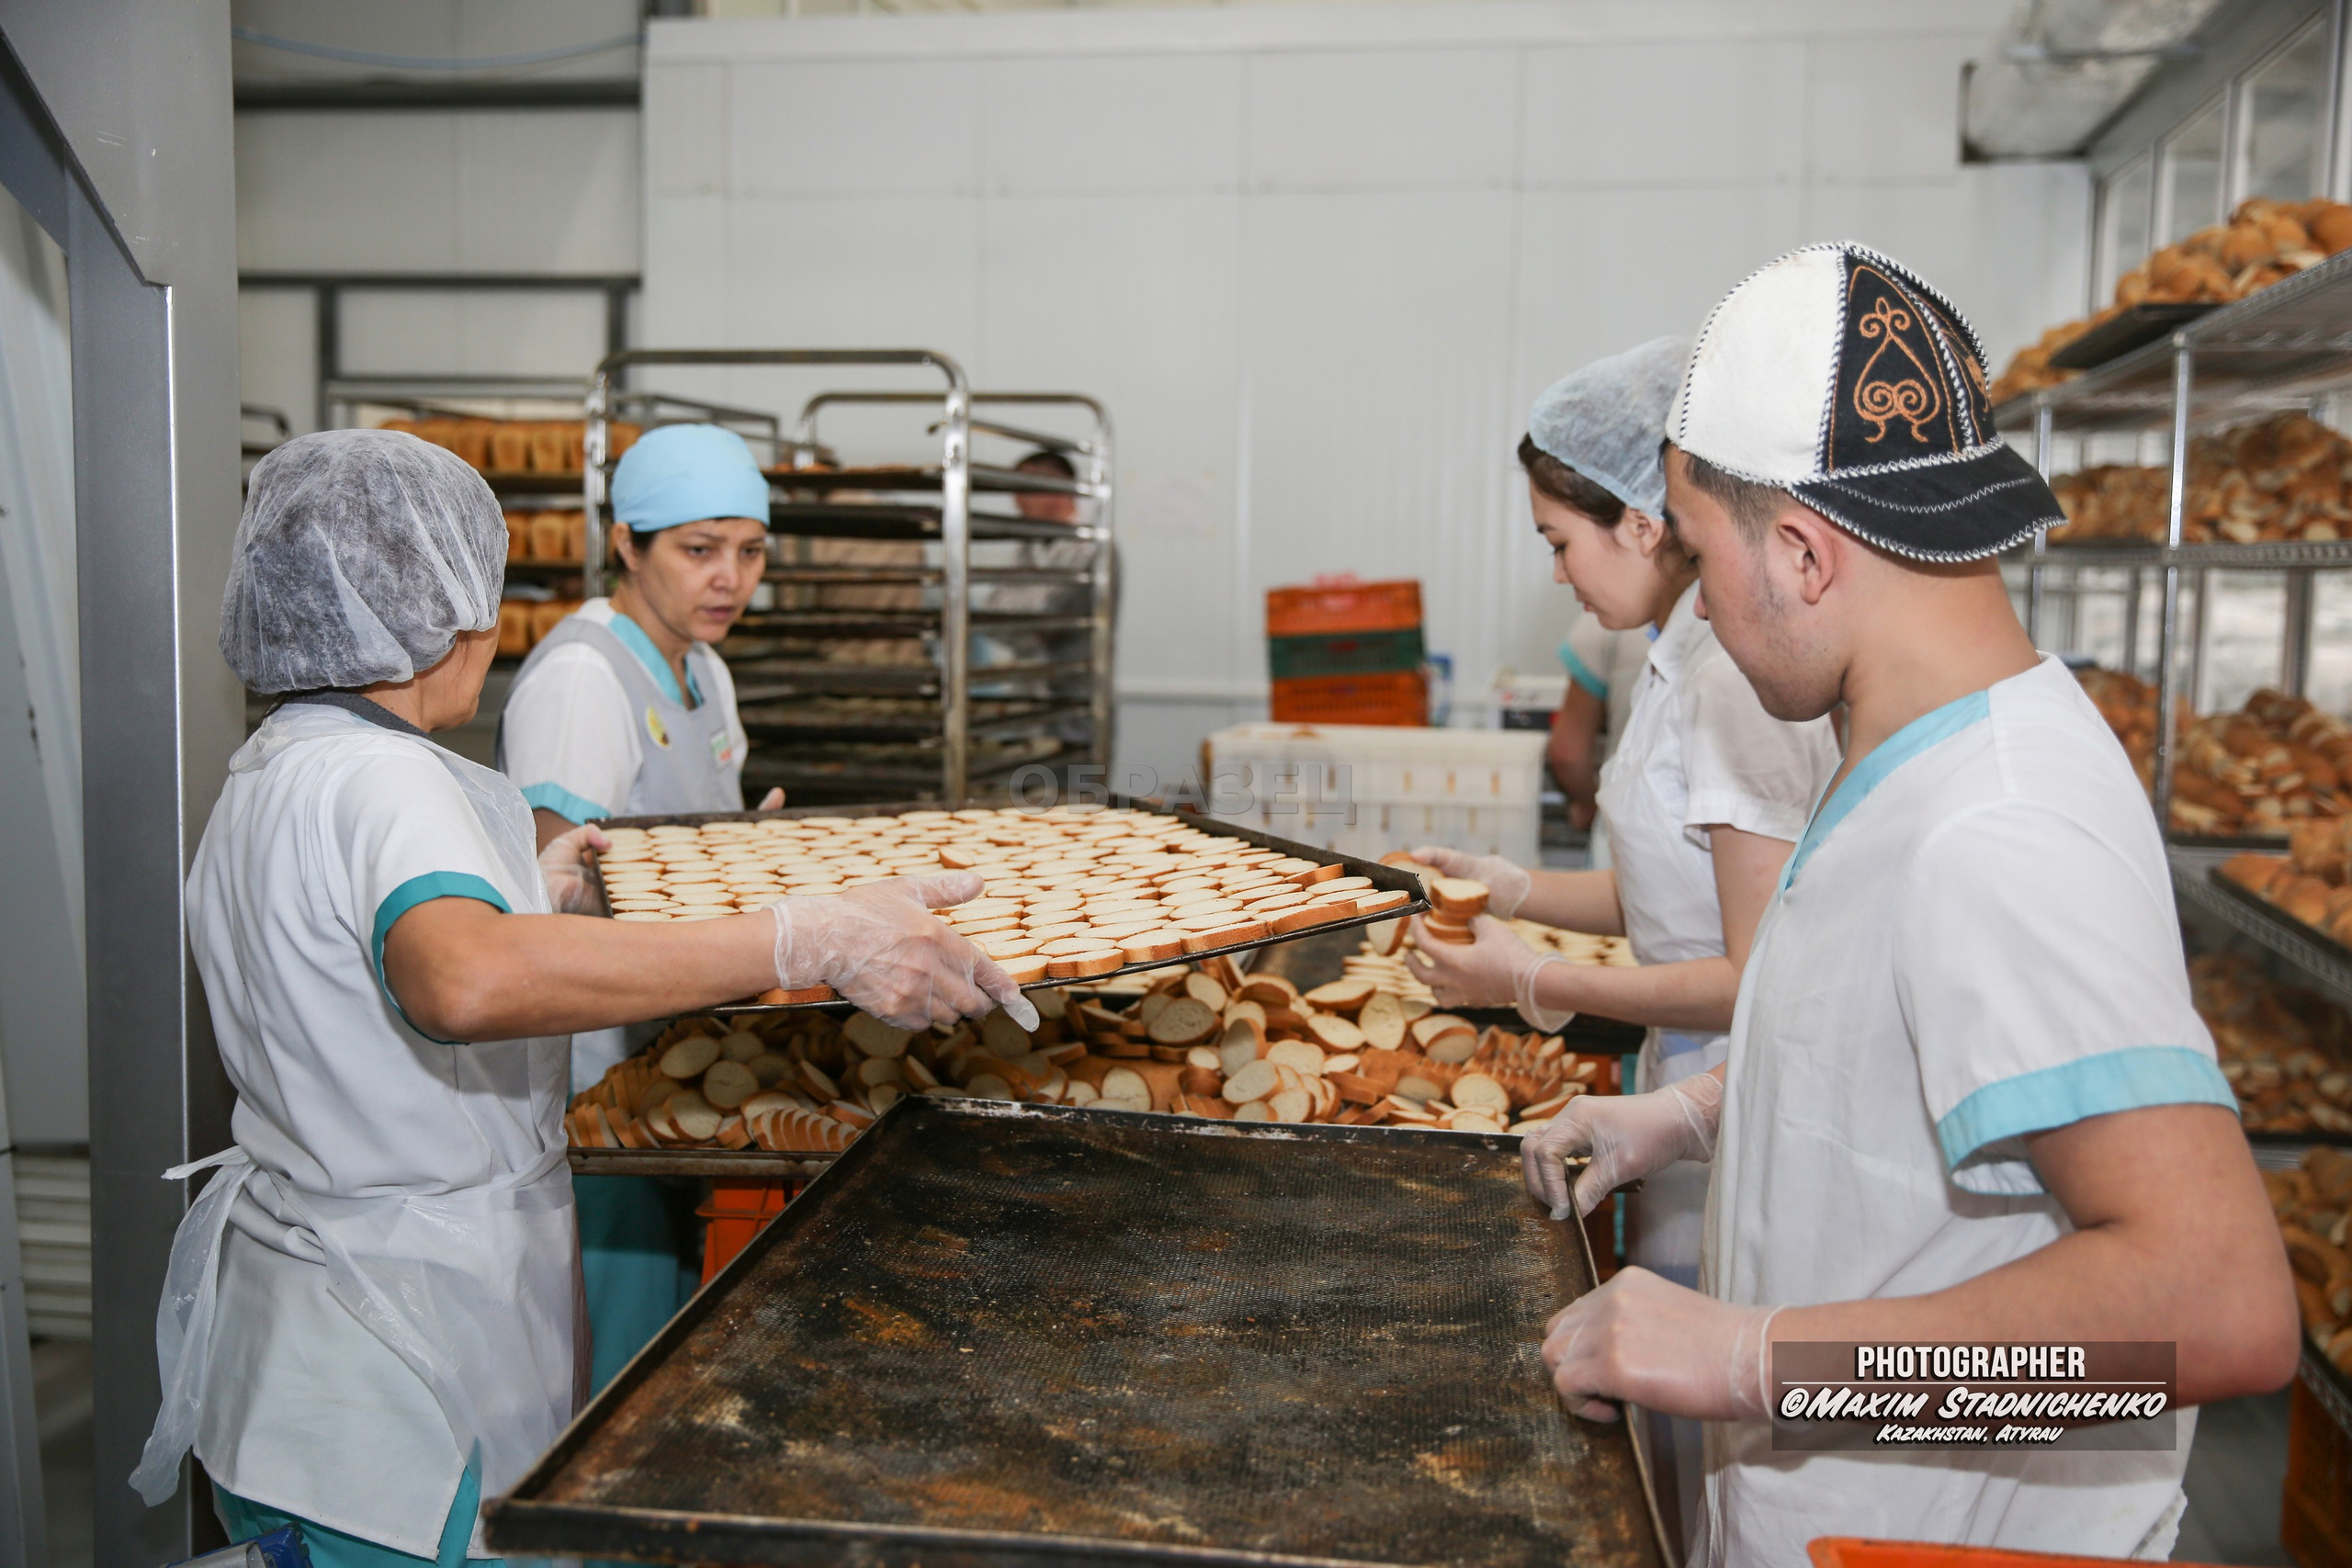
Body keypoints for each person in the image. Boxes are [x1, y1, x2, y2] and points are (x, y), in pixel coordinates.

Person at [136, 430, 1032, 1568]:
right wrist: (799, 935)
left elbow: (361, 963)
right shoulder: (386, 774)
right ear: (442, 607)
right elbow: (461, 979)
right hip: (399, 1380)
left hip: (306, 1355)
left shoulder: (276, 767)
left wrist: (546, 897)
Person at [1528, 245, 2298, 1563]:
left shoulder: (1997, 824)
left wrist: (1756, 1358)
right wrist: (1694, 1114)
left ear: (1804, 552)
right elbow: (1909, 1079)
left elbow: (2218, 1313)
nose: (1700, 601)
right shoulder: (1910, 759)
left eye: (1703, 552)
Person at [1400, 338, 1839, 1547]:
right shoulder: (1679, 654)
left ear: (1645, 522)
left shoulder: (1734, 682)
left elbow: (1761, 971)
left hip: (1732, 1107)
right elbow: (1668, 889)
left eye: (1559, 539)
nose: (1556, 572)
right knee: (1677, 1459)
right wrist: (1522, 885)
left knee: (1714, 1466)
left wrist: (1529, 977)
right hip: (1680, 1093)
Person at [497, 421, 786, 1391]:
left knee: (668, 1320)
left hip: (675, 1041)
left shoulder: (705, 671)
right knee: (614, 1345)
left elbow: (678, 848)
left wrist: (752, 858)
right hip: (596, 1063)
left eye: (749, 552)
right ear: (626, 543)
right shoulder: (585, 676)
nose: (729, 580)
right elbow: (550, 887)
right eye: (698, 550)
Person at [1551, 608, 1651, 848]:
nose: (1560, 577)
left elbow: (1567, 753)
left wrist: (1588, 807)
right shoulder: (1728, 624)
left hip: (1622, 831)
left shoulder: (1603, 623)